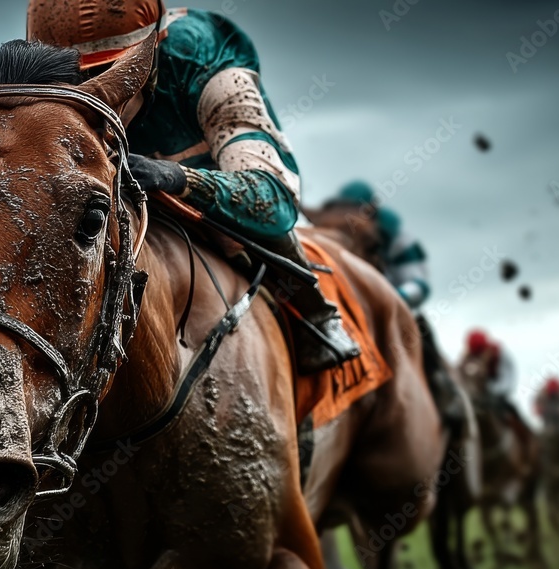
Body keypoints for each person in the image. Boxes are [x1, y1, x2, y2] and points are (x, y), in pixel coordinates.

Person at [27, 0, 358, 373]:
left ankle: (313, 314)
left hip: (217, 187)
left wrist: (176, 177)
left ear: (148, 65)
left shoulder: (204, 57)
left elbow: (273, 197)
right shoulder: (34, 79)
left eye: (114, 74)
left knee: (253, 235)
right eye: (76, 80)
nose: (101, 97)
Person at [330, 181, 431, 310]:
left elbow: (419, 286)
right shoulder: (340, 234)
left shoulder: (401, 241)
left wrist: (393, 298)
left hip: (396, 310)